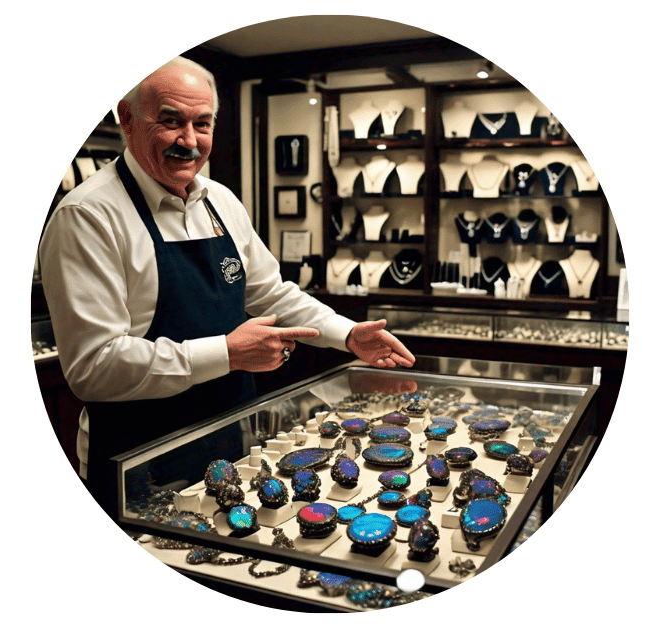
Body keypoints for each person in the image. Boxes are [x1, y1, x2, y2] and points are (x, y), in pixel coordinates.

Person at [38, 56, 415, 518]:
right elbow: (94, 366)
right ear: (127, 118)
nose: (190, 141)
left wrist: (347, 334)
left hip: (229, 439)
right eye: (171, 121)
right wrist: (228, 353)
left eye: (203, 124)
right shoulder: (88, 216)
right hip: (136, 460)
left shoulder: (220, 201)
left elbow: (272, 293)